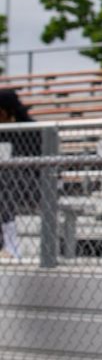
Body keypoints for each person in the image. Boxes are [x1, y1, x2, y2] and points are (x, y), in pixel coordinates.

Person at [0, 89, 40, 262]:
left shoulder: (33, 130)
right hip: (6, 185)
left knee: (5, 180)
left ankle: (11, 247)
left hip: (35, 184)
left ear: (5, 112)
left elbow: (39, 167)